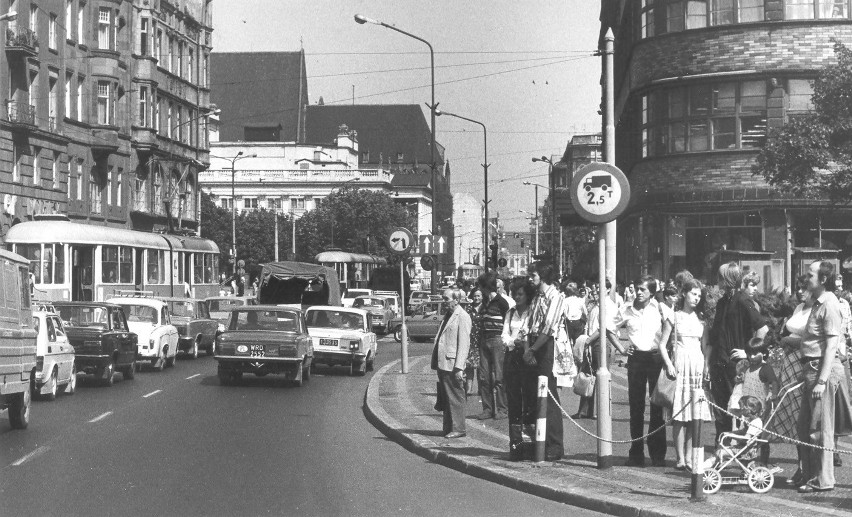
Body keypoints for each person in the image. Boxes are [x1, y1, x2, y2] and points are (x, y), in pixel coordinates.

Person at [796, 261, 852, 492]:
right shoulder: (817, 303)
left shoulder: (829, 304)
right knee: (805, 428)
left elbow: (831, 346)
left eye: (810, 275)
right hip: (811, 369)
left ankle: (823, 480)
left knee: (820, 429)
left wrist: (821, 380)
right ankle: (810, 474)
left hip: (821, 371)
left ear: (823, 279)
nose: (805, 278)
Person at [613, 275, 673, 467]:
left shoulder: (661, 309)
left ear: (652, 292)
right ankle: (636, 453)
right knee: (636, 406)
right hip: (636, 358)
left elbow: (673, 329)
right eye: (637, 289)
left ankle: (657, 454)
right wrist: (622, 349)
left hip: (655, 358)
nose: (638, 292)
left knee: (657, 406)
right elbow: (608, 327)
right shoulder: (626, 310)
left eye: (643, 290)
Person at [708, 262, 768, 440]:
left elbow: (762, 329)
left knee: (739, 409)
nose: (717, 281)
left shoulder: (743, 301)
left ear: (728, 279)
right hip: (719, 362)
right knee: (720, 411)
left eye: (720, 277)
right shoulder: (722, 302)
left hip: (736, 365)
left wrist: (749, 353)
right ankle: (723, 447)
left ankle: (742, 451)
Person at [660, 278, 712, 471]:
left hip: (696, 365)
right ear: (684, 294)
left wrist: (707, 366)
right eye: (693, 294)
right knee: (680, 415)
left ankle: (691, 456)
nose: (696, 298)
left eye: (699, 295)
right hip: (680, 365)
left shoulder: (701, 321)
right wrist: (669, 365)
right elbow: (662, 344)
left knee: (694, 414)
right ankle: (680, 457)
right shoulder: (674, 317)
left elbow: (705, 346)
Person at [525, 261, 565, 461]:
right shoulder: (537, 297)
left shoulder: (555, 297)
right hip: (533, 346)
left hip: (545, 347)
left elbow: (549, 328)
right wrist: (527, 348)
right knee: (536, 396)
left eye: (533, 275)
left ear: (543, 276)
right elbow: (529, 323)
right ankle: (539, 442)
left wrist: (532, 349)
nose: (530, 279)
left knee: (549, 396)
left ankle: (555, 445)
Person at [574, 280, 623, 419]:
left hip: (601, 342)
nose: (595, 291)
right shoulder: (594, 305)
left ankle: (600, 412)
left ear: (607, 290)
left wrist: (589, 341)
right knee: (588, 374)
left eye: (599, 288)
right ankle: (584, 411)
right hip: (590, 341)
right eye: (594, 288)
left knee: (601, 376)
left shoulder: (609, 305)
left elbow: (604, 327)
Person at [502, 278, 537, 460]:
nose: (517, 297)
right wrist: (511, 342)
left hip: (528, 358)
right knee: (514, 401)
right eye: (515, 293)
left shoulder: (532, 312)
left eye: (520, 294)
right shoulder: (511, 312)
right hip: (512, 357)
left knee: (530, 401)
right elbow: (504, 335)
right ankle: (515, 446)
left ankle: (530, 447)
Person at [430, 287, 472, 439]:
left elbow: (464, 344)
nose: (444, 302)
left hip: (453, 363)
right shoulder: (448, 315)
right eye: (443, 298)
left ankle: (459, 428)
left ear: (457, 300)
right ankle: (448, 427)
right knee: (446, 397)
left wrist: (459, 367)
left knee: (455, 396)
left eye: (446, 299)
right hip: (443, 363)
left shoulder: (463, 316)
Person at [474, 271, 510, 420]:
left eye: (481, 287)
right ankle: (487, 409)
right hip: (485, 340)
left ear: (486, 287)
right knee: (484, 376)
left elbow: (507, 322)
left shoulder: (502, 302)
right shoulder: (485, 303)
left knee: (499, 377)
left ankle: (502, 410)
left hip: (497, 340)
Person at [463, 289, 483, 395]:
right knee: (469, 367)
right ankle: (469, 389)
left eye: (479, 296)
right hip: (470, 341)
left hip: (481, 341)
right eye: (475, 296)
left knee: (480, 368)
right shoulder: (469, 309)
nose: (477, 298)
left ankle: (481, 389)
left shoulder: (485, 309)